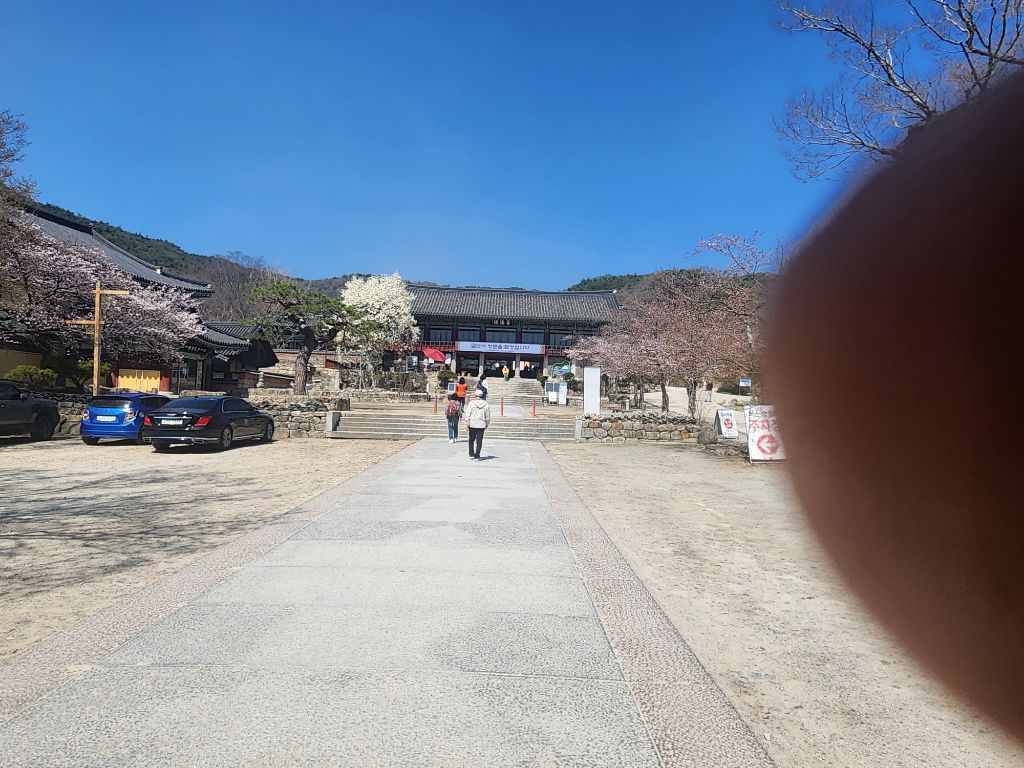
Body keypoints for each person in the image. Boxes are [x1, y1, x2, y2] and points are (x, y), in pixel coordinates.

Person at [465, 387, 491, 459]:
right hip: (481, 424)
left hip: (472, 424)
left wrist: (467, 423)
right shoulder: (485, 404)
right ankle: (477, 455)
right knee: (479, 440)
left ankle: (471, 454)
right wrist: (487, 423)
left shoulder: (471, 403)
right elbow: (487, 416)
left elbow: (468, 414)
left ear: (475, 395)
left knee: (471, 439)